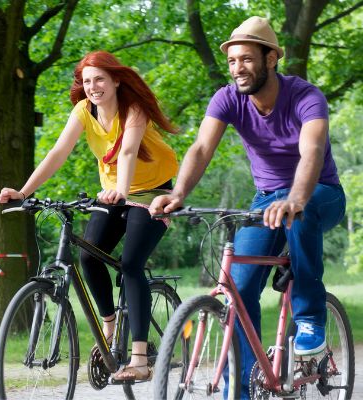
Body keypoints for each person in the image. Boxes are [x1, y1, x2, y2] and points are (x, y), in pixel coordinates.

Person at [149, 16, 345, 397]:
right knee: (238, 290)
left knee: (299, 215)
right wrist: (179, 194)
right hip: (267, 200)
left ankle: (309, 322)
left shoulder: (306, 96)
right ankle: (242, 390)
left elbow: (312, 152)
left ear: (270, 58)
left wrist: (296, 198)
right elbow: (202, 148)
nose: (238, 68)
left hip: (319, 192)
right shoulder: (227, 98)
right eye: (232, 61)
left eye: (246, 59)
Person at [0, 50, 179, 381]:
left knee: (131, 264)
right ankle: (109, 329)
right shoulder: (84, 110)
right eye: (86, 81)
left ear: (115, 80)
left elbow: (127, 150)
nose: (93, 86)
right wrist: (24, 192)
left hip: (153, 191)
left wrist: (122, 191)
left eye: (99, 79)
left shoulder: (133, 108)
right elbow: (58, 152)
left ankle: (140, 359)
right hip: (115, 191)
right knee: (88, 255)